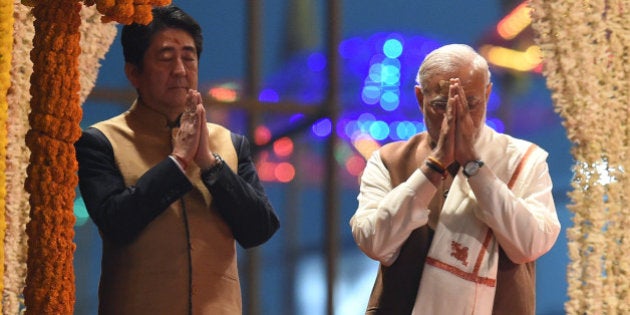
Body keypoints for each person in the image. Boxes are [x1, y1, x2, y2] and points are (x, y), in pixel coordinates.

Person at [75, 5, 280, 315]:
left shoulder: (230, 144)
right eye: (166, 57)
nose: (181, 69)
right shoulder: (101, 141)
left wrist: (210, 164)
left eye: (189, 57)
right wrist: (178, 162)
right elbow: (117, 223)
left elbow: (259, 229)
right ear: (134, 73)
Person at [349, 44, 561, 314]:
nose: (456, 116)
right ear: (419, 98)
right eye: (441, 105)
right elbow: (375, 243)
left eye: (470, 103)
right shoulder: (388, 161)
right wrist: (434, 167)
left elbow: (529, 245)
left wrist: (475, 167)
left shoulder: (523, 159)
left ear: (487, 93)